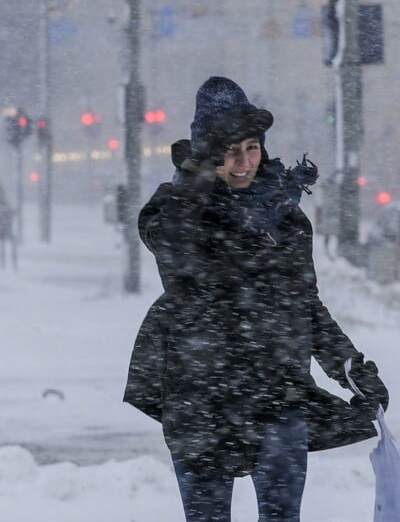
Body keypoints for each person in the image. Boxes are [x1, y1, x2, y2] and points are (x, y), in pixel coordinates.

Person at [123, 77, 389, 521]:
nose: (243, 162)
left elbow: (305, 304)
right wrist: (197, 174)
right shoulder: (175, 208)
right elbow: (170, 243)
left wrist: (351, 369)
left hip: (276, 394)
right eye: (228, 150)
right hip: (199, 400)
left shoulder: (285, 217)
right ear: (206, 155)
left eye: (251, 147)